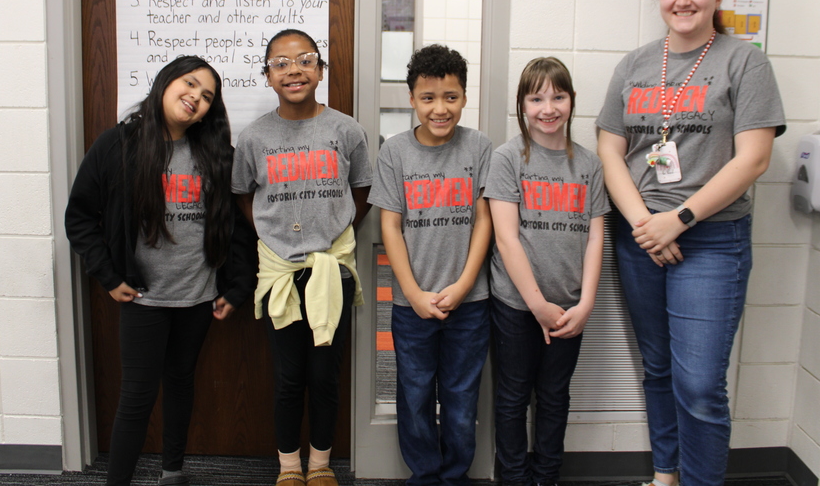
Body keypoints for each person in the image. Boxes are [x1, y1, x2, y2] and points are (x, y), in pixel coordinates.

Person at [596, 0, 786, 486]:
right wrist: (643, 224)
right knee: (658, 369)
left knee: (699, 384)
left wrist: (676, 220)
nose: (683, 0)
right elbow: (611, 149)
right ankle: (666, 475)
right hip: (639, 237)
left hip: (710, 239)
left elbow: (754, 158)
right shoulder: (635, 63)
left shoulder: (744, 61)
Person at [65, 55, 256, 486]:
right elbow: (79, 218)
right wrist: (109, 278)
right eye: (190, 85)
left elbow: (239, 229)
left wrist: (236, 287)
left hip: (198, 296)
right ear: (166, 82)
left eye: (207, 96)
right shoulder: (118, 145)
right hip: (144, 298)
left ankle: (172, 473)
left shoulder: (216, 154)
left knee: (181, 382)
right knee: (136, 397)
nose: (196, 99)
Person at [232, 29, 372, 486]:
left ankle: (320, 465)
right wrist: (270, 234)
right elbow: (243, 195)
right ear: (268, 76)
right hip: (279, 271)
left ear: (321, 70)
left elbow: (363, 191)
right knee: (289, 377)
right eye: (281, 63)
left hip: (333, 267)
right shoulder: (254, 137)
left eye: (305, 59)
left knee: (324, 377)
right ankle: (289, 467)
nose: (294, 69)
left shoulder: (346, 130)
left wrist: (334, 229)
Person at [369, 45, 493, 486]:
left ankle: (455, 475)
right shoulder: (395, 152)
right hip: (411, 305)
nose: (440, 109)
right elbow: (390, 228)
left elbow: (485, 220)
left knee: (461, 397)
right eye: (428, 98)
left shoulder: (479, 146)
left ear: (463, 97)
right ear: (411, 99)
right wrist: (414, 294)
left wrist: (462, 286)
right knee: (415, 395)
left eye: (451, 97)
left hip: (471, 302)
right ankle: (424, 475)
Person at [485, 57, 608, 486]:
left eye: (558, 96)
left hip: (570, 308)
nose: (548, 107)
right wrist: (536, 305)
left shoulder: (590, 166)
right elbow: (506, 239)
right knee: (514, 396)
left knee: (555, 397)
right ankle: (515, 478)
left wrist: (586, 304)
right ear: (522, 105)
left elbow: (596, 238)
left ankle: (547, 476)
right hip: (518, 305)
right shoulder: (506, 159)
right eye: (536, 98)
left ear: (572, 101)